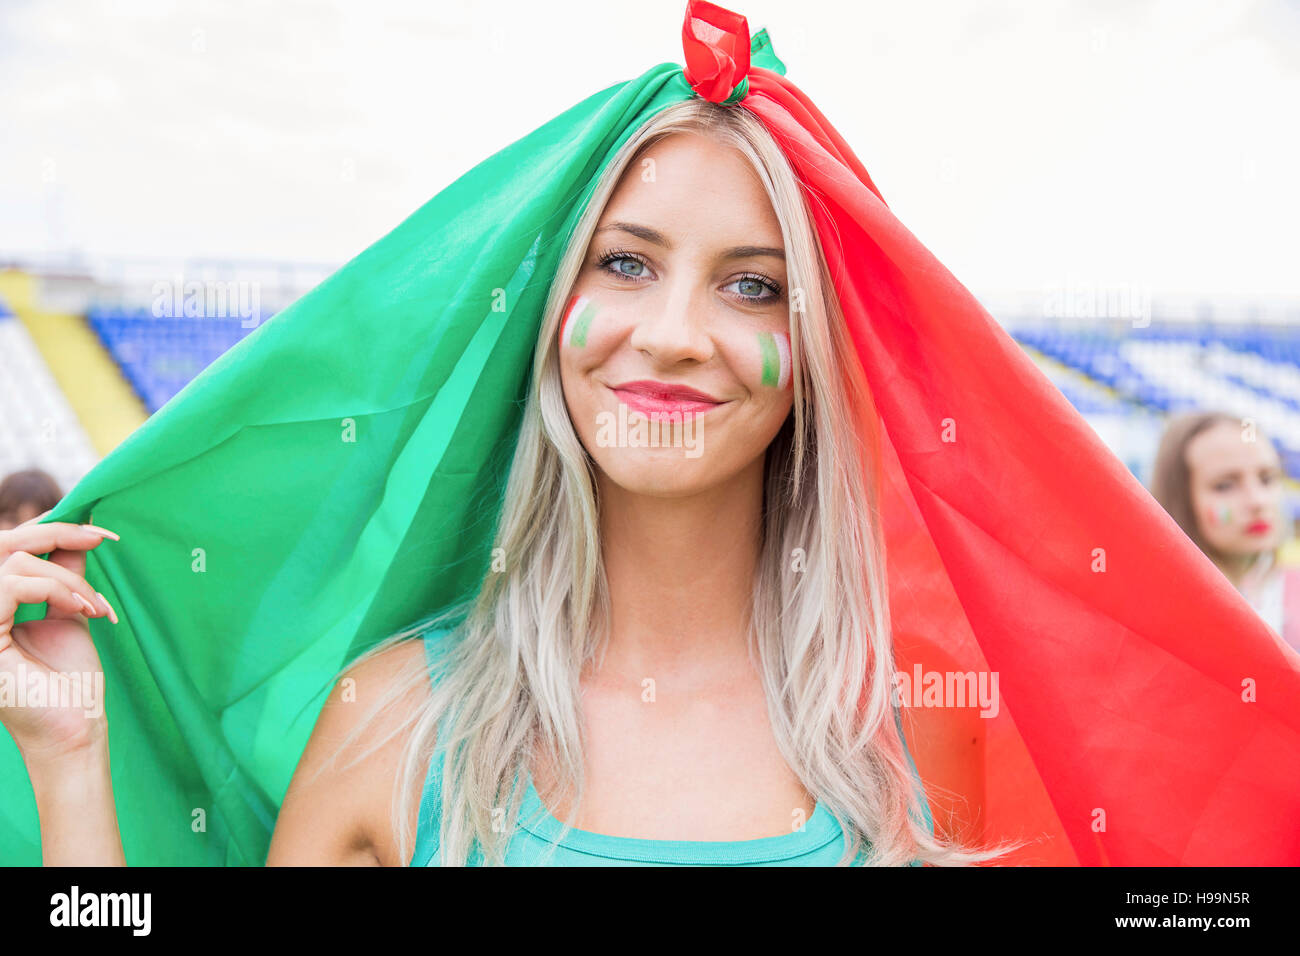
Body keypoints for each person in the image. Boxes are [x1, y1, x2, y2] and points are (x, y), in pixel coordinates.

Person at [2, 1, 1297, 868]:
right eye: (626, 263)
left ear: (816, 360)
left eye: (751, 283)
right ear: (547, 313)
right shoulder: (394, 720)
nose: (675, 332)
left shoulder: (910, 731)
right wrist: (69, 766)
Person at [1150, 410, 1300, 654]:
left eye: (1266, 478)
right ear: (1181, 499)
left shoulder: (1285, 591)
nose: (1257, 501)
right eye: (1225, 485)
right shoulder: (1162, 624)